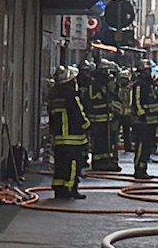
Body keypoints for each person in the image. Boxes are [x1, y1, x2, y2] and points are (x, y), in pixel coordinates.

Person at [47, 65, 86, 199]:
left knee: (60, 165)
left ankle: (59, 189)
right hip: (73, 138)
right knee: (74, 164)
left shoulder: (54, 97)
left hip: (59, 138)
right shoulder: (71, 97)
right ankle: (71, 188)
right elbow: (79, 115)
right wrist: (87, 125)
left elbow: (51, 119)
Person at [83, 60, 119, 173]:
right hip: (97, 118)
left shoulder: (104, 84)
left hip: (106, 118)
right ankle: (98, 163)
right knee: (99, 143)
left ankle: (106, 161)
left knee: (107, 142)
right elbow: (92, 100)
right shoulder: (94, 85)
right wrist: (103, 96)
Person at [128, 68, 158, 179]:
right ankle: (138, 169)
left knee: (147, 147)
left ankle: (143, 169)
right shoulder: (139, 84)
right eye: (147, 70)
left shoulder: (151, 84)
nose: (149, 72)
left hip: (152, 121)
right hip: (142, 122)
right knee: (141, 146)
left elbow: (156, 100)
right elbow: (137, 101)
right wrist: (141, 114)